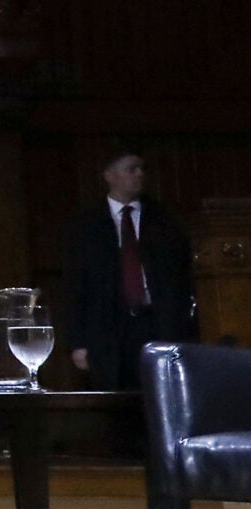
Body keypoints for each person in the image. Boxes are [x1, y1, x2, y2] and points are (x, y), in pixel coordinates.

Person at [63, 151, 196, 391]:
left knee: (161, 394)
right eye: (131, 169)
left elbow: (182, 278)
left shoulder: (165, 220)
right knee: (115, 398)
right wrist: (77, 342)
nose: (139, 174)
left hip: (156, 322)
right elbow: (75, 286)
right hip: (108, 327)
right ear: (109, 176)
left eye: (142, 169)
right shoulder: (85, 226)